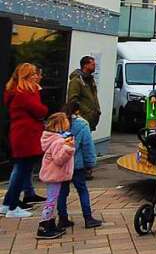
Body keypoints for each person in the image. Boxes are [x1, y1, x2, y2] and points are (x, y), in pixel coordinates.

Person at [2, 63, 48, 217]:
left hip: (20, 134)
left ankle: (8, 203)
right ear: (27, 76)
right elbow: (40, 110)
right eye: (34, 74)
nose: (37, 76)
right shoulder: (25, 93)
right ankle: (13, 207)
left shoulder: (14, 91)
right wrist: (37, 94)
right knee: (22, 170)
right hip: (27, 135)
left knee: (20, 168)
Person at [57, 100, 101, 230]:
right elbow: (87, 146)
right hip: (77, 165)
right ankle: (88, 218)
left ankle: (62, 218)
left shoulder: (58, 123)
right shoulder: (82, 125)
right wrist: (90, 163)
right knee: (82, 190)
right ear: (77, 111)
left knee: (62, 192)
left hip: (62, 164)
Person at [36, 112, 75, 239]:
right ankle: (44, 225)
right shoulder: (58, 141)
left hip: (52, 174)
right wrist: (68, 148)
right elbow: (59, 159)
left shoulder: (52, 138)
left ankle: (51, 224)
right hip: (55, 174)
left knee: (53, 198)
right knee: (51, 200)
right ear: (61, 125)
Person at [67, 56, 100, 132]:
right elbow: (72, 100)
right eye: (93, 64)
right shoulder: (76, 81)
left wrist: (96, 111)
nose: (95, 67)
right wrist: (86, 111)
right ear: (85, 65)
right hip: (82, 118)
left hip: (90, 119)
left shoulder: (90, 80)